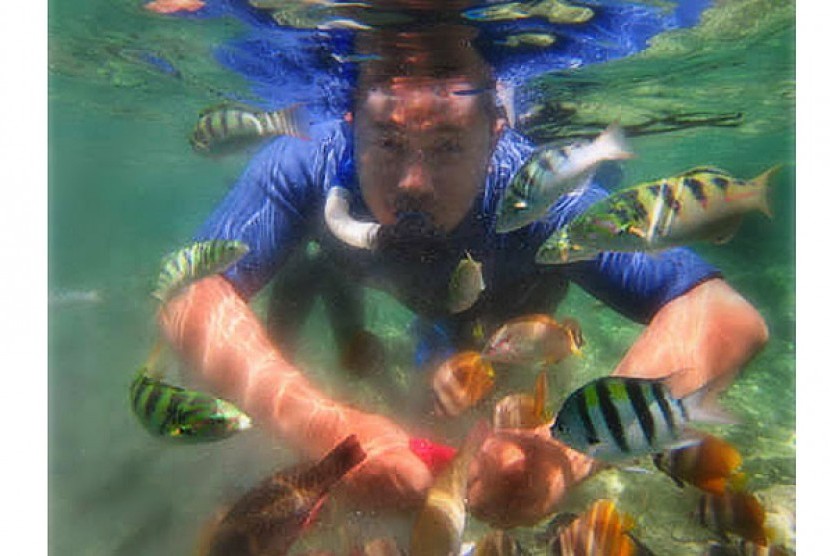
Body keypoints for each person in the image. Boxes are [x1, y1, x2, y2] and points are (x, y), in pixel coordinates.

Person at [157, 24, 768, 529]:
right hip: (392, 290)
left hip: (512, 311)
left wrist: (564, 454)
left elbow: (724, 315)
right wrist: (329, 429)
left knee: (500, 410)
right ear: (349, 120)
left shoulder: (536, 194)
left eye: (448, 145)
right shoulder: (305, 162)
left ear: (495, 127)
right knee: (416, 377)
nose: (412, 182)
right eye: (388, 140)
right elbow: (188, 297)